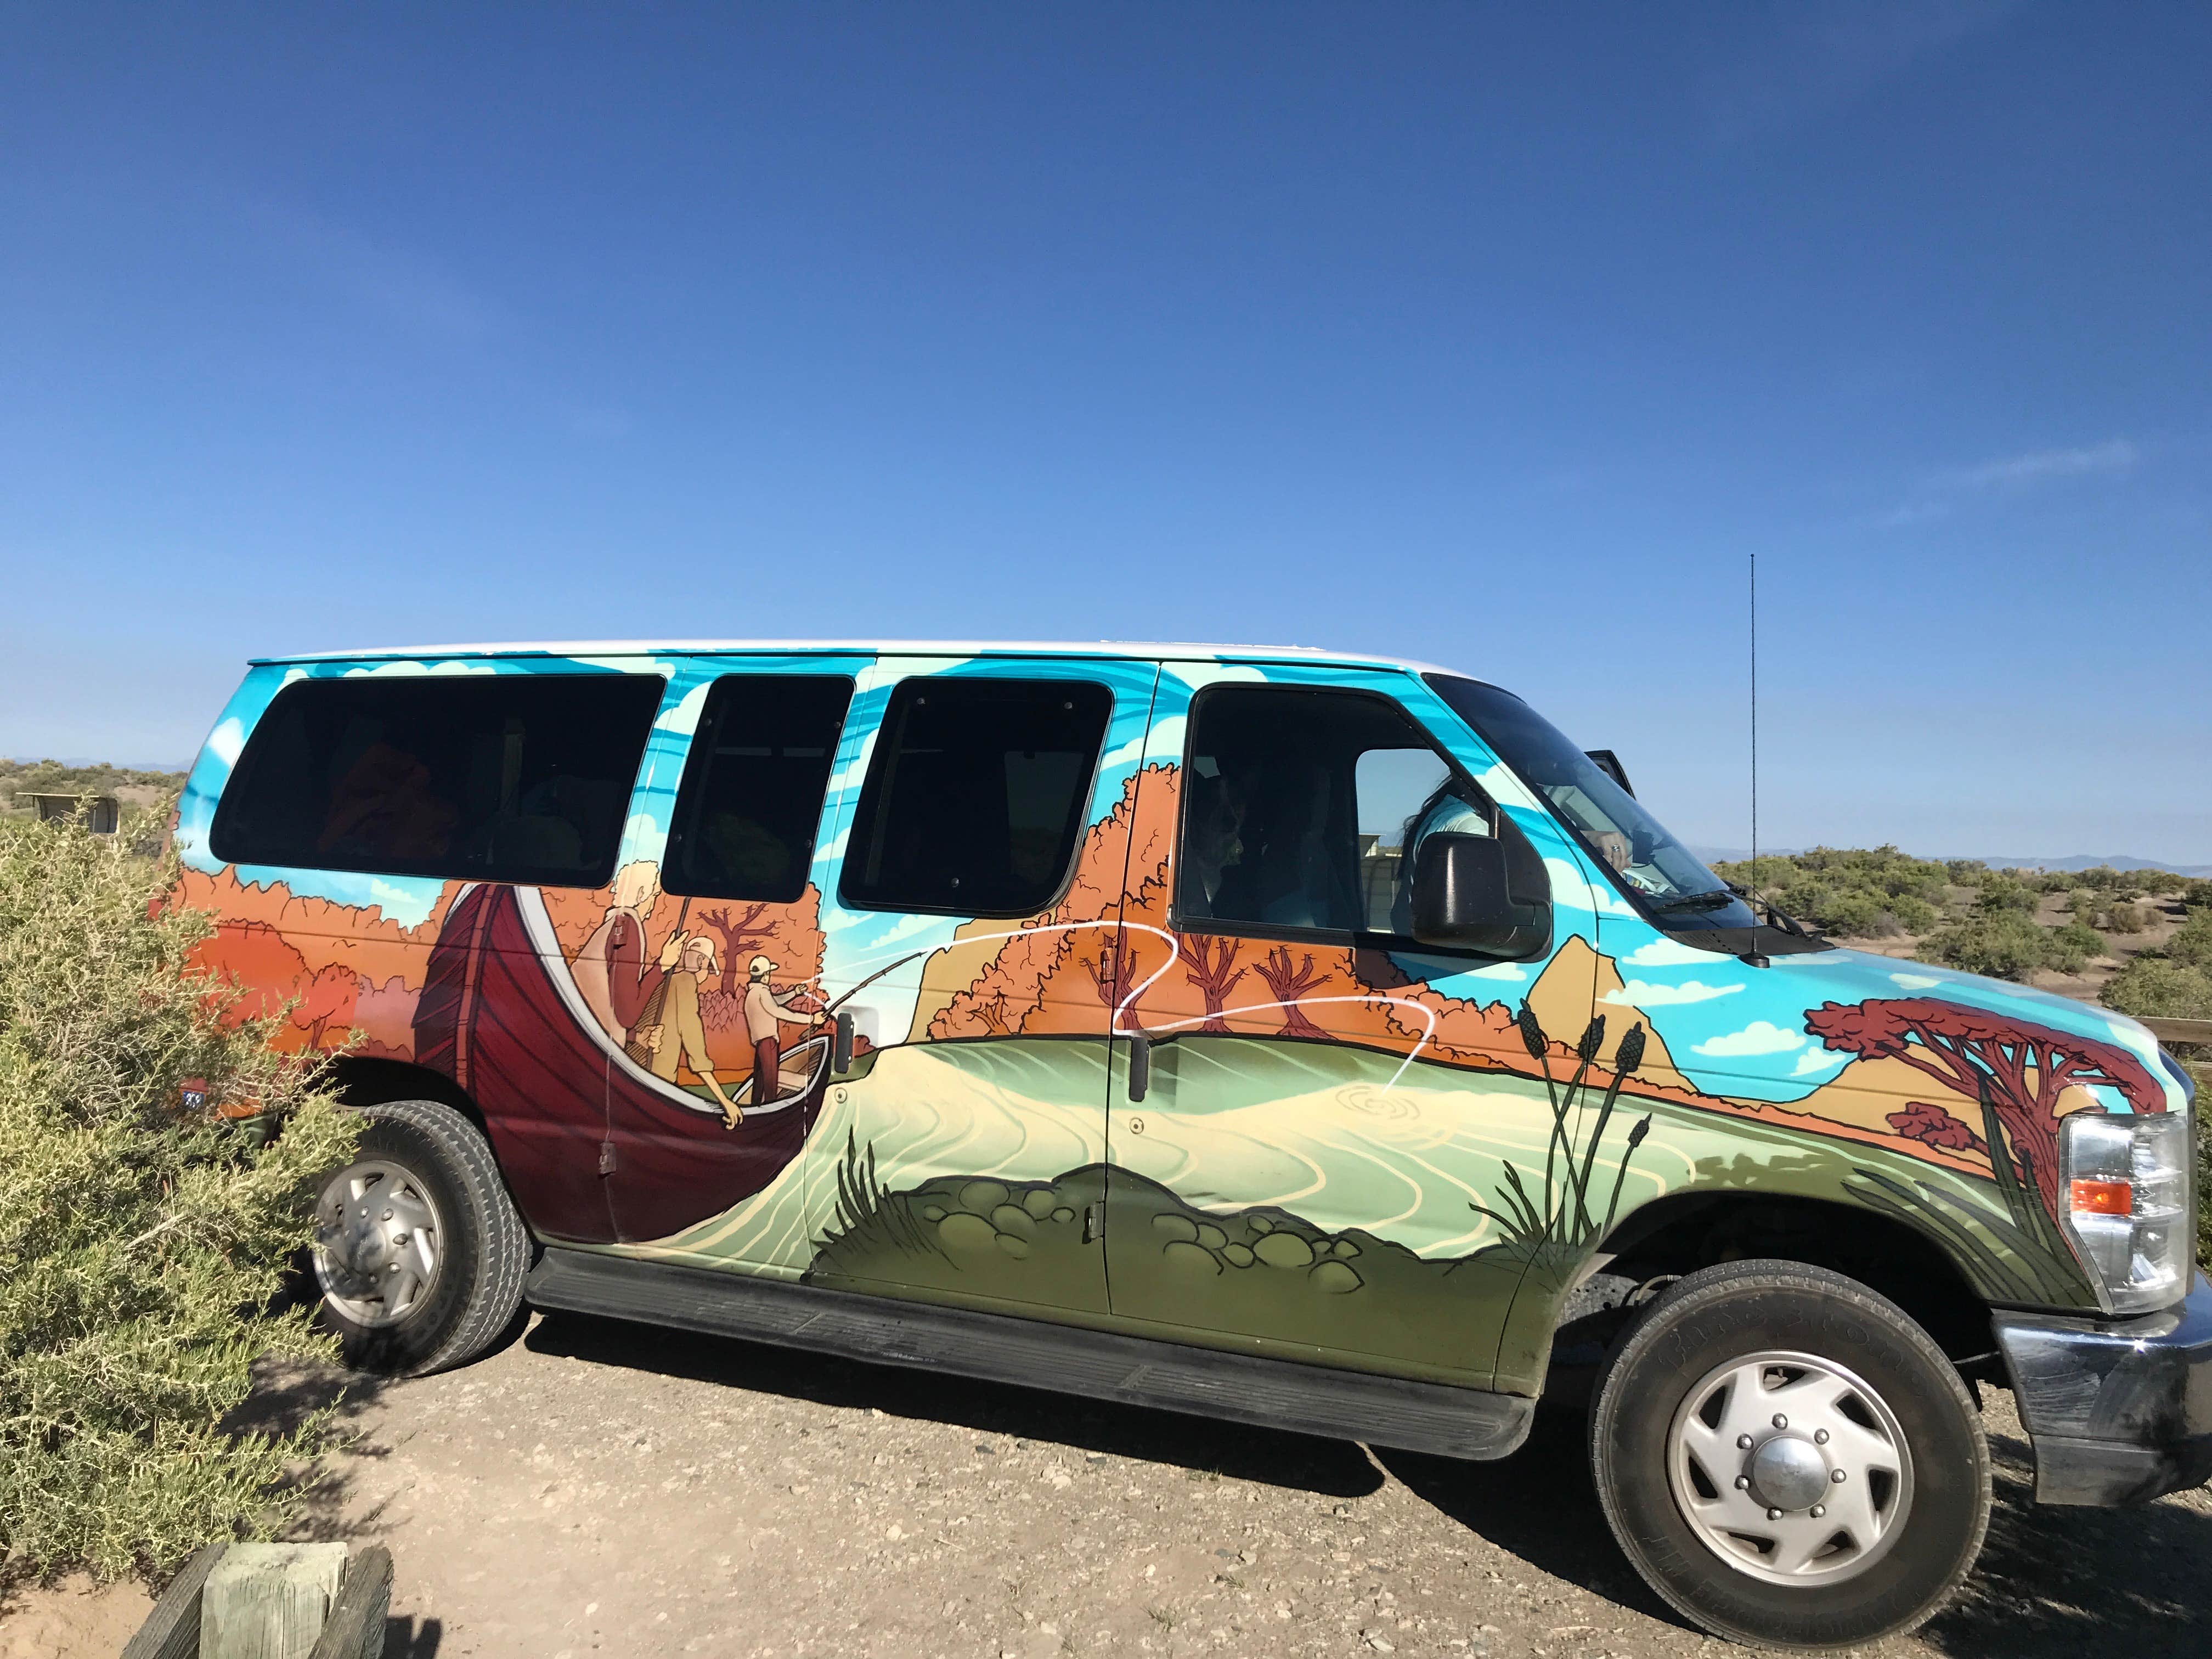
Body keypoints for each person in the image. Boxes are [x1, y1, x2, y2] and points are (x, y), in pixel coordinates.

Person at [627, 933, 739, 1128]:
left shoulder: (666, 979)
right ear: (701, 961)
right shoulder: (686, 983)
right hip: (656, 1081)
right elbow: (695, 1049)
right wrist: (726, 1101)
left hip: (634, 1071)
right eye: (709, 970)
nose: (707, 977)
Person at [574, 860, 662, 1043]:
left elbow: (603, 1007)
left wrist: (635, 1037)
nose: (653, 905)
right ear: (642, 894)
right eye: (654, 896)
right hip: (592, 1042)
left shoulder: (610, 927)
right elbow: (627, 1016)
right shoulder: (628, 929)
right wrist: (662, 967)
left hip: (584, 1033)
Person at [743, 953, 822, 1111]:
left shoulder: (754, 993)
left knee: (759, 1081)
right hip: (768, 1042)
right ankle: (771, 1112)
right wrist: (812, 1019)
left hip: (759, 1043)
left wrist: (794, 993)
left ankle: (753, 1111)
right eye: (769, 974)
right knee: (771, 1081)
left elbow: (774, 1001)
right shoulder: (762, 993)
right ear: (765, 976)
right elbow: (779, 1011)